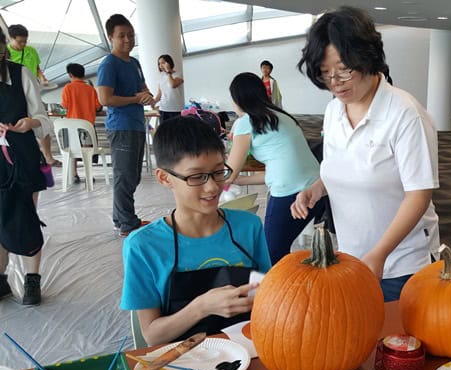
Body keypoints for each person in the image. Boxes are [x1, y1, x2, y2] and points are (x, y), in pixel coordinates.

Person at [292, 6, 440, 301]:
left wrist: (380, 253)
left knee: (394, 342)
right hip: (352, 256)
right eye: (325, 74)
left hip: (400, 263)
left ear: (367, 57)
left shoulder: (405, 114)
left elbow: (418, 195)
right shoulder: (334, 110)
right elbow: (342, 164)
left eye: (344, 71)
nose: (335, 83)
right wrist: (317, 189)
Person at [120, 116, 270, 346]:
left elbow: (267, 298)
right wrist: (202, 307)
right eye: (197, 177)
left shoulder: (249, 227)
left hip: (249, 353)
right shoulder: (144, 245)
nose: (212, 187)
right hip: (184, 365)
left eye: (219, 172)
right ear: (164, 178)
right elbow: (152, 335)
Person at [226, 72, 322, 264]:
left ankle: (281, 291)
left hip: (291, 196)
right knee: (278, 248)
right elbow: (281, 168)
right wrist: (240, 180)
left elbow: (229, 172)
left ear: (238, 99)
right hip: (318, 189)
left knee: (270, 253)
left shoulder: (246, 122)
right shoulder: (282, 117)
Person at [0, 30, 50, 306]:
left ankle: (32, 279)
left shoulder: (20, 74)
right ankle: (1, 278)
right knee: (0, 219)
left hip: (23, 157)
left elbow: (43, 118)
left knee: (25, 216)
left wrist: (30, 123)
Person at [97, 14, 154, 237]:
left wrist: (147, 96)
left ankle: (121, 218)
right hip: (121, 126)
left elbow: (142, 88)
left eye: (130, 35)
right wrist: (136, 99)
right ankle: (127, 223)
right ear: (111, 37)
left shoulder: (134, 63)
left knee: (132, 175)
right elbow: (105, 99)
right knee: (125, 175)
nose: (128, 40)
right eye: (122, 36)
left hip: (136, 124)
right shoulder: (109, 64)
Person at [5, 24, 60, 168]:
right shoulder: (7, 53)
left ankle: (48, 156)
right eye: (19, 41)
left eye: (25, 41)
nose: (23, 44)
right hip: (13, 96)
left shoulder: (31, 51)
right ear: (10, 39)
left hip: (32, 91)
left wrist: (43, 78)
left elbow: (37, 68)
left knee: (40, 120)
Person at [61, 62, 102, 184]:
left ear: (70, 74)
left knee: (72, 149)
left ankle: (74, 175)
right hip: (87, 126)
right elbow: (97, 106)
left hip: (72, 126)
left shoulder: (68, 88)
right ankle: (89, 175)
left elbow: (65, 106)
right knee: (87, 151)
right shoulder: (91, 89)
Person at [153, 54, 184, 122]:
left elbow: (173, 85)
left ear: (169, 63)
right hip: (163, 108)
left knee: (176, 131)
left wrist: (169, 72)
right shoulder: (160, 76)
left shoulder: (179, 74)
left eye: (163, 63)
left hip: (175, 109)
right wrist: (153, 102)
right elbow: (160, 93)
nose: (161, 66)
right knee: (164, 131)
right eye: (159, 63)